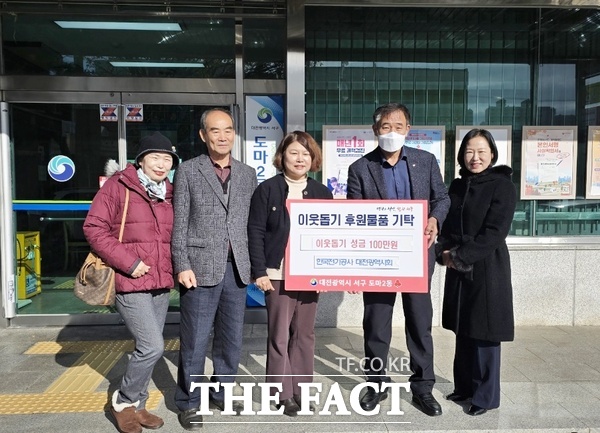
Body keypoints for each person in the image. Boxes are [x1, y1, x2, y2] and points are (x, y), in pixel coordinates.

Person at [346, 102, 450, 416]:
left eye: (398, 126)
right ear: (375, 130)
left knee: (420, 324)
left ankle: (423, 388)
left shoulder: (425, 160)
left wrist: (434, 220)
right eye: (385, 127)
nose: (392, 132)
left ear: (408, 129)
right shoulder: (360, 168)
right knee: (376, 325)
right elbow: (352, 214)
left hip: (417, 258)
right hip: (378, 261)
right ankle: (376, 384)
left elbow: (442, 197)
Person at [83, 131, 179, 433]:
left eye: (167, 160)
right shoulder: (119, 186)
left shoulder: (170, 191)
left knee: (147, 345)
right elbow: (94, 228)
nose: (161, 165)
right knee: (152, 346)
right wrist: (130, 262)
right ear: (140, 160)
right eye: (155, 158)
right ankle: (123, 401)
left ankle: (138, 405)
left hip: (161, 282)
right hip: (129, 280)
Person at [171, 108, 257, 430]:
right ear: (203, 135)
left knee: (231, 338)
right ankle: (189, 401)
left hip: (237, 268)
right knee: (194, 340)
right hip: (199, 268)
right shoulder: (189, 171)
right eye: (215, 131)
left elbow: (251, 223)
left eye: (228, 130)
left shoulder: (248, 174)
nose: (223, 136)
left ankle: (221, 391)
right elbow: (179, 222)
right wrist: (182, 264)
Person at [248, 131, 333, 417]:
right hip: (277, 274)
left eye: (306, 154)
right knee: (279, 335)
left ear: (313, 159)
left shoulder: (322, 193)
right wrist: (260, 271)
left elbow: (331, 237)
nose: (300, 159)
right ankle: (282, 393)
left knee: (305, 334)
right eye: (294, 152)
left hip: (309, 275)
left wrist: (327, 274)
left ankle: (302, 390)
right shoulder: (268, 189)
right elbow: (256, 231)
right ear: (282, 156)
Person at [435, 128, 516, 416]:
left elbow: (495, 232)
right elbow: (446, 226)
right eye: (469, 151)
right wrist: (442, 250)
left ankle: (485, 395)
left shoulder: (502, 185)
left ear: (492, 154)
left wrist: (459, 257)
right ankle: (465, 387)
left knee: (484, 331)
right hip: (459, 268)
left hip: (486, 267)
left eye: (482, 151)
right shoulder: (457, 186)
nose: (475, 157)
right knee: (463, 329)